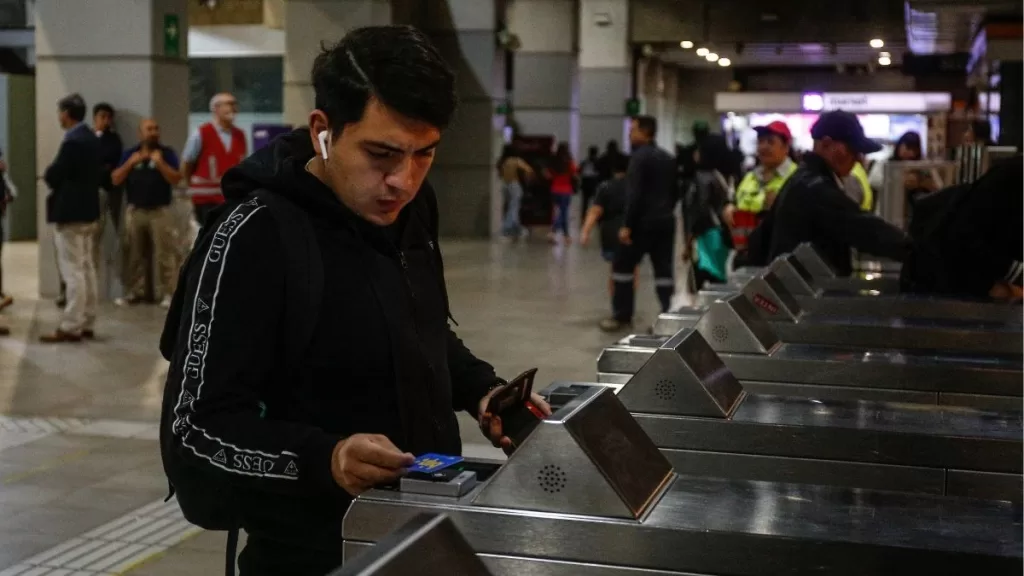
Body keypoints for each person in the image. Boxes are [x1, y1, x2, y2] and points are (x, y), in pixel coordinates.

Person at [159, 25, 551, 576]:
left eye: (424, 154)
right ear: (323, 130)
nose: (403, 181)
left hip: (422, 536)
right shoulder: (255, 235)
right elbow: (195, 429)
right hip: (308, 555)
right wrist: (327, 457)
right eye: (381, 154)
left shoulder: (412, 210)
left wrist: (482, 390)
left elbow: (417, 327)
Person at [747, 110, 910, 276]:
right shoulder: (815, 189)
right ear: (826, 144)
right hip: (805, 289)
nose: (858, 158)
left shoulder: (803, 179)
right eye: (852, 150)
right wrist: (913, 248)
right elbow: (864, 228)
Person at [902, 155, 1022, 301]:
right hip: (946, 279)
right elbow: (963, 236)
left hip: (964, 273)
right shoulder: (1013, 175)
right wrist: (991, 284)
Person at [600, 115, 677, 332]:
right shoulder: (668, 158)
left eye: (633, 129)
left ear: (645, 132)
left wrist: (627, 225)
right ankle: (667, 315)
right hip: (665, 222)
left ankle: (622, 315)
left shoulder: (639, 158)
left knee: (623, 267)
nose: (629, 134)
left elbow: (634, 194)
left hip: (642, 223)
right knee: (663, 270)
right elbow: (675, 191)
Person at [41, 93, 103, 343]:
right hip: (89, 210)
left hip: (71, 212)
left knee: (72, 271)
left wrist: (49, 174)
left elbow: (55, 174)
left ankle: (71, 325)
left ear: (66, 114)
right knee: (87, 268)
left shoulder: (72, 142)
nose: (59, 117)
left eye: (60, 112)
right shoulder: (92, 139)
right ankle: (88, 320)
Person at [110, 118, 182, 308]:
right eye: (149, 129)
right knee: (134, 253)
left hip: (160, 210)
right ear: (140, 133)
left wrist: (160, 164)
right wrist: (130, 163)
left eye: (156, 129)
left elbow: (176, 179)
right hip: (135, 210)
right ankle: (135, 292)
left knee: (165, 254)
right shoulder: (130, 154)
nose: (154, 132)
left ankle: (169, 293)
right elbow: (115, 179)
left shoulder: (167, 153)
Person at [722, 121, 796, 266]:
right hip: (745, 255)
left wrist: (778, 208)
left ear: (786, 147)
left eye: (770, 142)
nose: (764, 147)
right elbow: (736, 201)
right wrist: (729, 208)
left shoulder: (795, 177)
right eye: (760, 141)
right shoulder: (750, 176)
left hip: (778, 260)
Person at [182, 92, 247, 227]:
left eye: (234, 104)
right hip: (205, 199)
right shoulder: (201, 133)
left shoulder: (240, 135)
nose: (233, 108)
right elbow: (187, 163)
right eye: (228, 104)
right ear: (216, 108)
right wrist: (190, 187)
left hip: (231, 197)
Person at [580, 154, 637, 295]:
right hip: (632, 231)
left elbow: (595, 211)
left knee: (615, 268)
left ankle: (616, 298)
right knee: (633, 268)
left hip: (610, 233)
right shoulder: (636, 188)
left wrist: (585, 232)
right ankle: (629, 297)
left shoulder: (605, 187)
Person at [683, 138, 733, 290]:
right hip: (720, 233)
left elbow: (700, 210)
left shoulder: (701, 177)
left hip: (705, 235)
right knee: (718, 277)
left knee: (705, 279)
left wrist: (689, 239)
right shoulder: (720, 175)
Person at [496, 143, 534, 239]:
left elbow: (499, 174)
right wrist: (527, 178)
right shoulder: (516, 160)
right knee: (514, 208)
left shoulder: (502, 161)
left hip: (504, 185)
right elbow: (529, 170)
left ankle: (517, 230)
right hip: (514, 185)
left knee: (510, 207)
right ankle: (505, 229)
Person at [546, 142, 576, 243]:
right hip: (566, 190)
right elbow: (574, 172)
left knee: (563, 213)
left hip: (554, 190)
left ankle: (566, 236)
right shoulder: (569, 162)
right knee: (563, 213)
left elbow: (548, 175)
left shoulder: (554, 161)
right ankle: (554, 231)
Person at [578, 145, 600, 223]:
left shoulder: (584, 162)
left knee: (585, 202)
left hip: (585, 183)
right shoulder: (598, 162)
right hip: (594, 183)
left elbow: (579, 171)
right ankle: (595, 217)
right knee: (596, 202)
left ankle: (583, 217)